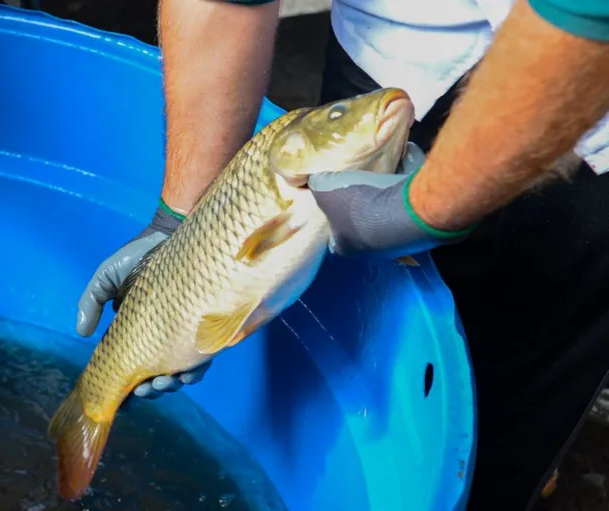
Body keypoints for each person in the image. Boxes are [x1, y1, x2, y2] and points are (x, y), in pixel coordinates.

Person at [76, 0, 609, 508]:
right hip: (393, 52)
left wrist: (427, 209)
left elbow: (587, 21)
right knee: (362, 344)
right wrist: (182, 219)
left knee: (493, 435)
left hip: (586, 127)